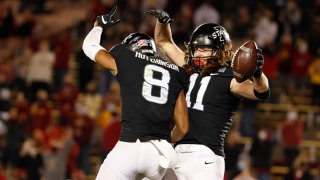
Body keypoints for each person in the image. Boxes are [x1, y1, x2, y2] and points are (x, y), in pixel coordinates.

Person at [146, 9, 270, 179]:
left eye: (204, 50)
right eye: (196, 49)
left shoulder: (231, 77)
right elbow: (163, 42)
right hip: (176, 152)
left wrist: (257, 73)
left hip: (206, 156)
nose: (198, 54)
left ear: (220, 51)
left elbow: (260, 91)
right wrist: (163, 21)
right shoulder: (188, 66)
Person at [82, 7, 189, 180]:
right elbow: (183, 127)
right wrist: (162, 140)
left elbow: (89, 47)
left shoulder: (127, 57)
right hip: (160, 154)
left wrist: (98, 26)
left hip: (130, 146)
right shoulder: (176, 72)